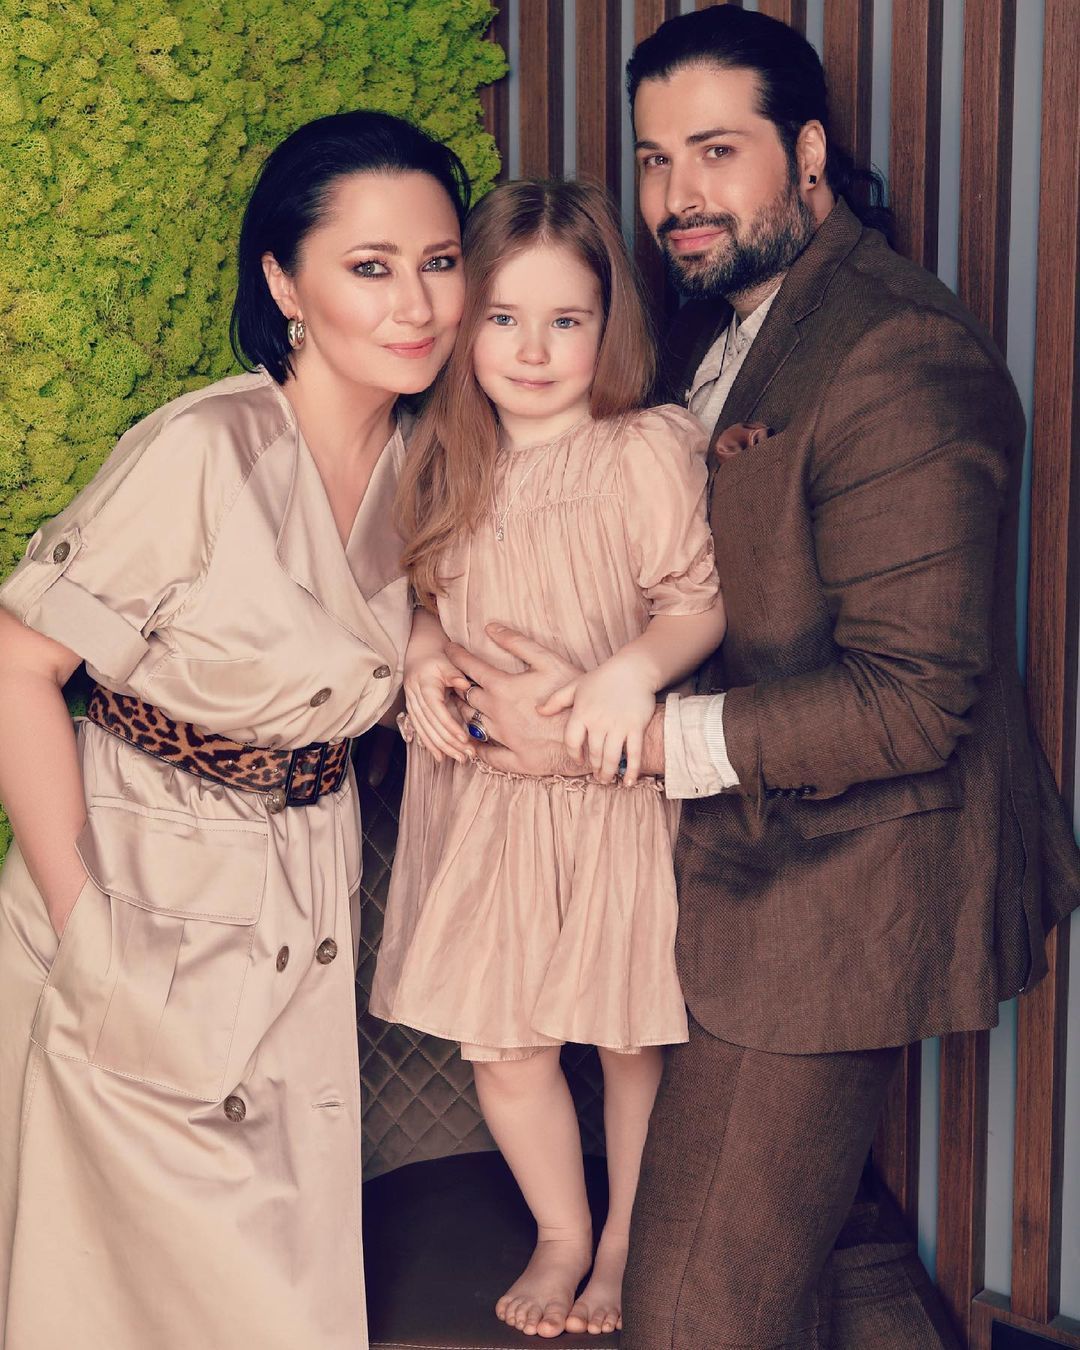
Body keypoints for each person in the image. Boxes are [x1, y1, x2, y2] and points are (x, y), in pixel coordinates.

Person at [446, 9, 1080, 1349]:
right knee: (812, 1236)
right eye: (656, 159)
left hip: (837, 890)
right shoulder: (698, 329)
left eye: (717, 151)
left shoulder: (897, 351)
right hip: (703, 856)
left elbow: (911, 700)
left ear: (809, 152)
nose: (679, 194)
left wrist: (613, 737)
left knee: (691, 1312)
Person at [0, 110, 468, 1350]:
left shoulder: (426, 458)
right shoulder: (204, 451)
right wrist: (87, 930)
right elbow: (17, 663)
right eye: (370, 266)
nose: (416, 302)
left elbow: (369, 622)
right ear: (286, 284)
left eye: (438, 260)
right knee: (130, 1296)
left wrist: (423, 646)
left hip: (302, 896)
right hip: (140, 892)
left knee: (284, 1289)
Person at [369, 178, 725, 1339]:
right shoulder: (438, 457)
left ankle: (624, 1240)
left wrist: (631, 673)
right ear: (465, 323)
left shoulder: (640, 451)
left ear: (606, 326)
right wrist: (423, 651)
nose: (532, 351)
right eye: (504, 318)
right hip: (485, 800)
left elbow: (696, 603)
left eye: (565, 320)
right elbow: (411, 595)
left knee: (626, 1035)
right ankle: (562, 1230)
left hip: (607, 796)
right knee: (507, 1045)